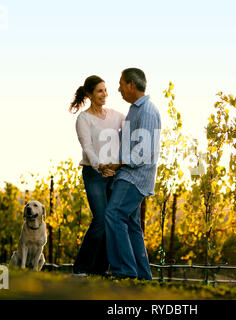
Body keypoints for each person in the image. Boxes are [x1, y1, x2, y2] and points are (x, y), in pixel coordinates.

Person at [100, 68, 161, 280]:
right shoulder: (135, 110)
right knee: (131, 224)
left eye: (121, 84)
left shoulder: (147, 112)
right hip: (127, 173)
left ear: (132, 85)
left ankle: (124, 271)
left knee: (113, 214)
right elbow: (126, 140)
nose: (118, 89)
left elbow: (142, 152)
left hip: (135, 176)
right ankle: (143, 276)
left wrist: (117, 164)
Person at [69, 75, 125, 276]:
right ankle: (81, 268)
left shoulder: (115, 115)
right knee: (100, 218)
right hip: (94, 173)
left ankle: (100, 269)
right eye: (100, 91)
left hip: (115, 173)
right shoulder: (83, 119)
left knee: (110, 220)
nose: (105, 94)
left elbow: (132, 123)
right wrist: (100, 166)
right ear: (90, 94)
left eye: (106, 90)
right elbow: (88, 147)